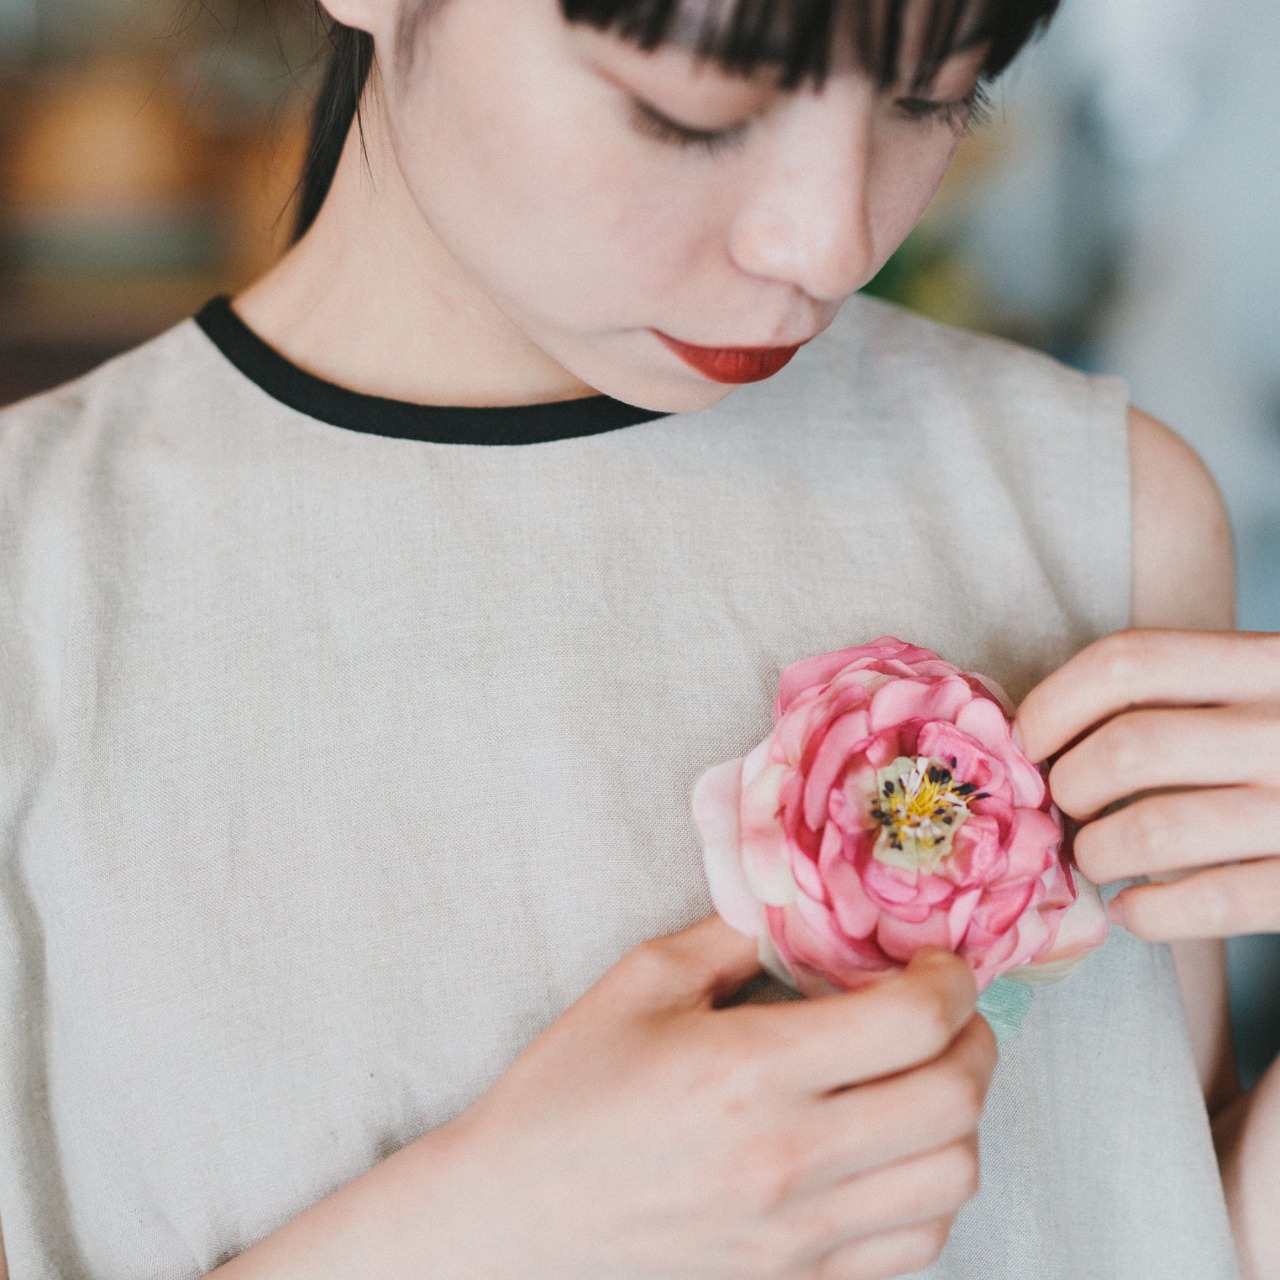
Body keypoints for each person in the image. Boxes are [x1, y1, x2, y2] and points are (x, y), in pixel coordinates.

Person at [0, 0, 1274, 1276]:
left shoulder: (1097, 504)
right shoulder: (40, 580)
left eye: (930, 95)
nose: (827, 244)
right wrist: (486, 1234)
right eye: (692, 111)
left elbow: (1147, 1219)